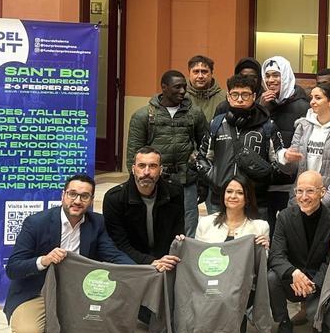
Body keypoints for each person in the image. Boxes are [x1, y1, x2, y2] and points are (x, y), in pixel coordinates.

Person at [3, 174, 143, 333]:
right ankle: (46, 329)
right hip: (38, 292)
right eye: (72, 194)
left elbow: (114, 256)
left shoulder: (97, 223)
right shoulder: (36, 223)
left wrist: (144, 270)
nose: (77, 201)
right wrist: (44, 260)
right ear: (63, 195)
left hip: (77, 293)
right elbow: (13, 268)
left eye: (84, 196)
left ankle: (65, 329)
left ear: (91, 200)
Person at [125, 69, 207, 236]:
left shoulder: (195, 113)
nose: (183, 91)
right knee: (158, 224)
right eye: (177, 87)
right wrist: (137, 183)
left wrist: (203, 180)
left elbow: (206, 147)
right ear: (164, 87)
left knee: (188, 226)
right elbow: (134, 154)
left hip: (187, 180)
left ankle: (186, 260)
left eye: (184, 87)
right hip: (156, 181)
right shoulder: (143, 116)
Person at [268, 171, 330, 333]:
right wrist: (293, 272)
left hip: (319, 281)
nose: (304, 197)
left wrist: (314, 283)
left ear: (322, 192)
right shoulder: (284, 217)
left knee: (322, 324)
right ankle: (284, 323)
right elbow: (276, 254)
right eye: (299, 191)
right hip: (293, 278)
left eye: (310, 191)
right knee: (271, 277)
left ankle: (318, 315)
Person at [197, 74, 277, 214]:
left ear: (254, 96)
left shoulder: (267, 126)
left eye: (245, 94)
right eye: (235, 94)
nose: (240, 99)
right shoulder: (216, 124)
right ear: (228, 97)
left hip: (256, 201)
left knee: (256, 236)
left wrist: (262, 182)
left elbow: (277, 162)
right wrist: (214, 179)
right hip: (220, 200)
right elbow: (202, 157)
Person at [279, 81, 330, 212]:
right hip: (300, 201)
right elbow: (292, 168)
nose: (312, 102)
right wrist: (286, 158)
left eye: (318, 98)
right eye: (311, 97)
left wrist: (322, 203)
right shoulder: (302, 126)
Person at [102, 147, 185, 267]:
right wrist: (149, 261)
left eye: (152, 166)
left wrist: (166, 260)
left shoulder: (175, 192)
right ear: (133, 169)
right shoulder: (114, 198)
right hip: (131, 261)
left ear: (160, 170)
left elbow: (177, 232)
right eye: (141, 166)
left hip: (166, 259)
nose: (146, 172)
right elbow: (119, 243)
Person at [261, 56, 310, 221]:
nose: (271, 80)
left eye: (276, 75)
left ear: (286, 76)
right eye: (267, 76)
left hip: (291, 182)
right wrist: (261, 108)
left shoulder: (303, 106)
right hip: (265, 181)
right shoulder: (261, 104)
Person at [196, 175, 271, 246]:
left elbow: (262, 258)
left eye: (240, 193)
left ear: (248, 198)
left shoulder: (260, 227)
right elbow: (196, 255)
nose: (233, 196)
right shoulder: (205, 223)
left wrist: (265, 250)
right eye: (229, 191)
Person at [187, 54, 226, 122]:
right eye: (196, 72)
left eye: (204, 71)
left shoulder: (224, 97)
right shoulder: (180, 96)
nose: (200, 76)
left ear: (211, 73)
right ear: (189, 73)